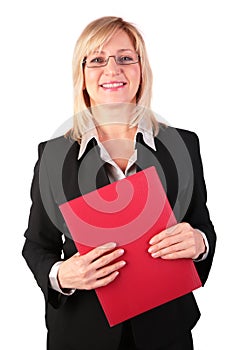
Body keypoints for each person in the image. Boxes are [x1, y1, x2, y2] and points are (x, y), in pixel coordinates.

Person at [22, 16, 216, 350]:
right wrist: (60, 276)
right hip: (81, 334)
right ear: (82, 76)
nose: (112, 69)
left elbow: (200, 224)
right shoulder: (54, 155)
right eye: (97, 60)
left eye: (125, 58)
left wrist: (199, 243)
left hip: (166, 332)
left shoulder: (183, 145)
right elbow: (37, 244)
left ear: (141, 70)